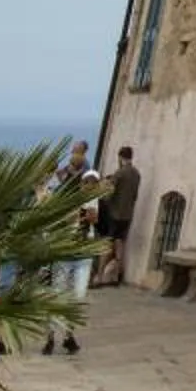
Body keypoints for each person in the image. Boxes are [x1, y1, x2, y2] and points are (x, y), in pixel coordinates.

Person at [42, 145, 96, 357]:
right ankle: (51, 336)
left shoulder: (89, 194)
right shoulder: (58, 193)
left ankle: (68, 335)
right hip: (63, 252)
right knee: (57, 295)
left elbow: (94, 218)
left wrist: (83, 214)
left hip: (82, 253)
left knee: (77, 297)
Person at [97, 146, 141, 287]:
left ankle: (99, 275)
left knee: (107, 243)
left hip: (115, 213)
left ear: (120, 157)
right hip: (127, 214)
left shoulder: (120, 173)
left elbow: (109, 192)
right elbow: (134, 196)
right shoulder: (136, 174)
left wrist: (103, 200)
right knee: (120, 243)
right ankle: (116, 276)